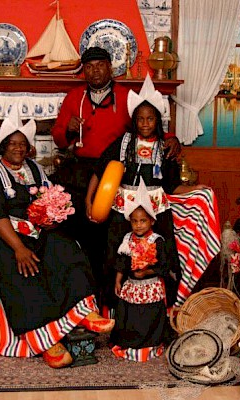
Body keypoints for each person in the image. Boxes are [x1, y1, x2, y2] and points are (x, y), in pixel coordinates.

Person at [0, 105, 115, 369]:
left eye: (22, 144)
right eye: (12, 144)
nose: (18, 148)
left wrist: (51, 216)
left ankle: (83, 311)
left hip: (33, 231)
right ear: (3, 146)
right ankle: (47, 341)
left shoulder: (34, 169)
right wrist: (18, 248)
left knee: (66, 247)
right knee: (21, 269)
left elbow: (49, 200)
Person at [51, 46, 181, 297]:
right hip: (84, 171)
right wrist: (67, 128)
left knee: (111, 238)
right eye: (89, 66)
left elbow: (146, 124)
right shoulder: (73, 97)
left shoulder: (125, 96)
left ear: (110, 67)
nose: (95, 70)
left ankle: (112, 295)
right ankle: (83, 296)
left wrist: (172, 138)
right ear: (83, 71)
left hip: (116, 174)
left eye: (100, 65)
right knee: (80, 236)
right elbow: (58, 138)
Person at [86, 74, 208, 310]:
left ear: (157, 120)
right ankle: (112, 309)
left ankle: (166, 308)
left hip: (156, 209)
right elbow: (99, 171)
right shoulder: (123, 142)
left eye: (150, 119)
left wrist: (194, 189)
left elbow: (172, 186)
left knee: (164, 253)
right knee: (115, 253)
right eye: (140, 119)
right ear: (134, 120)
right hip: (123, 209)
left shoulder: (166, 148)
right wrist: (89, 201)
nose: (145, 123)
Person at [110, 179, 170, 362]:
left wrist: (147, 272)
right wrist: (118, 280)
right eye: (135, 221)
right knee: (131, 315)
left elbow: (164, 267)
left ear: (152, 220)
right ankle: (131, 342)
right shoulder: (127, 238)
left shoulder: (157, 241)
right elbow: (122, 260)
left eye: (143, 221)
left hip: (150, 286)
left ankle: (150, 342)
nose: (139, 225)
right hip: (132, 286)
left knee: (149, 316)